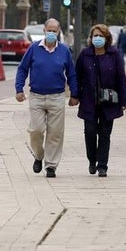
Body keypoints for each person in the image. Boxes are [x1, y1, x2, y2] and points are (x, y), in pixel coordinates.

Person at [15, 18, 78, 177]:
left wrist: (75, 94)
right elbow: (22, 69)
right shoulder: (34, 49)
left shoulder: (64, 51)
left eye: (54, 31)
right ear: (44, 31)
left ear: (58, 32)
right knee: (36, 130)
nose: (51, 33)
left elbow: (71, 73)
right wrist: (19, 89)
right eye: (48, 30)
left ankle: (51, 165)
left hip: (57, 96)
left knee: (55, 133)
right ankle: (39, 155)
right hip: (36, 96)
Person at [75, 23, 126, 177]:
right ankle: (92, 160)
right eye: (95, 36)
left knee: (105, 134)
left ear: (107, 39)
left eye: (101, 36)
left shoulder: (114, 55)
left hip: (109, 101)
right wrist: (75, 95)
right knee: (90, 132)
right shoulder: (85, 54)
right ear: (91, 38)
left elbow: (121, 78)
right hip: (89, 100)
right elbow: (77, 76)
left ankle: (102, 165)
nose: (97, 38)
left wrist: (124, 100)